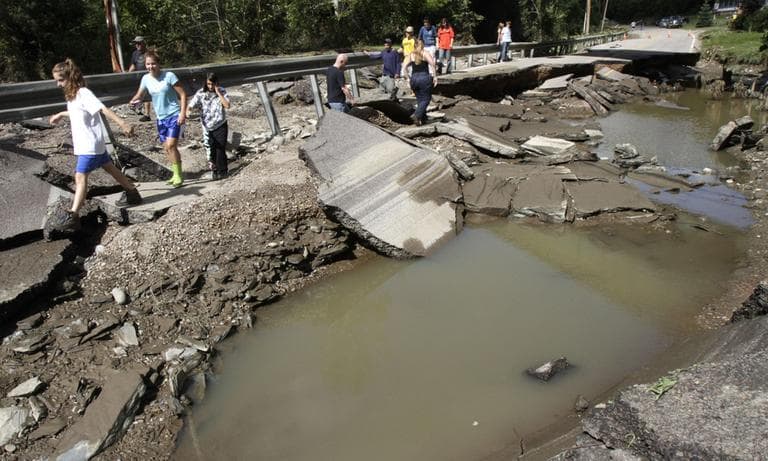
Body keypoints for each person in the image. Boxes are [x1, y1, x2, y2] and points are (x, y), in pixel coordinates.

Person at [48, 59, 142, 231]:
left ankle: (73, 215)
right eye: (57, 80)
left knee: (80, 177)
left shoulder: (83, 93)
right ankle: (132, 192)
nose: (58, 84)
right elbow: (77, 112)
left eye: (61, 80)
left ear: (70, 77)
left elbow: (102, 109)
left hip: (89, 146)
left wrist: (122, 123)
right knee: (110, 168)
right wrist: (61, 113)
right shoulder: (73, 96)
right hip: (92, 145)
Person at [128, 50, 187, 187]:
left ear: (158, 64)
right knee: (166, 147)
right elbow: (140, 95)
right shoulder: (146, 78)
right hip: (160, 117)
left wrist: (182, 113)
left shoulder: (169, 76)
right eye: (148, 64)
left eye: (153, 64)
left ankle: (179, 175)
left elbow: (183, 95)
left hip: (174, 114)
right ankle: (174, 174)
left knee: (172, 145)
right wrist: (133, 100)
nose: (150, 67)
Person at [187, 72, 231, 180]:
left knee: (220, 148)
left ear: (216, 83)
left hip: (220, 124)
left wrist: (218, 93)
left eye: (213, 84)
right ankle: (215, 171)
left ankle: (223, 171)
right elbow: (191, 105)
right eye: (208, 84)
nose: (210, 87)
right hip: (207, 126)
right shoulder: (201, 93)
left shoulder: (222, 91)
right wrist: (188, 111)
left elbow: (227, 105)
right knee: (211, 149)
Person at [401, 39, 438, 126]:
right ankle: (417, 115)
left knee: (420, 99)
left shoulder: (411, 55)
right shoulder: (425, 53)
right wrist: (435, 77)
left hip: (414, 78)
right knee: (426, 99)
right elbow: (432, 64)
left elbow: (404, 67)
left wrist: (408, 79)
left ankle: (422, 119)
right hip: (424, 78)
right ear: (423, 45)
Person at [127, 36, 151, 122]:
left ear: (144, 43)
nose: (137, 45)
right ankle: (138, 108)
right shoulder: (135, 54)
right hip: (138, 77)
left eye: (139, 43)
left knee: (146, 95)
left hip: (148, 77)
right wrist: (127, 75)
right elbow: (133, 65)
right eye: (136, 43)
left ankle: (147, 114)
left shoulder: (148, 53)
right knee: (139, 94)